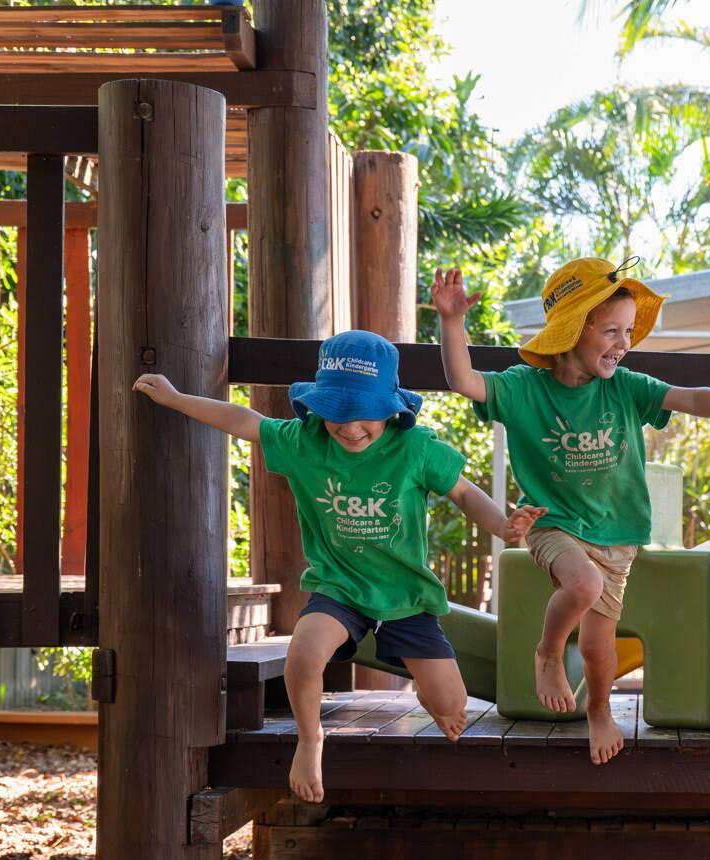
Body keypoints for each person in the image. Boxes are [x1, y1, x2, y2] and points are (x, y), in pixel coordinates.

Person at [133, 329, 542, 802]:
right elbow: (243, 421)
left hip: (404, 594)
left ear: (392, 408)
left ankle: (428, 687)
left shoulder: (415, 448)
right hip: (339, 586)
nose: (349, 428)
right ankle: (311, 740)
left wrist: (504, 527)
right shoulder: (304, 441)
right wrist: (177, 398)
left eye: (363, 413)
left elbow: (466, 493)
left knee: (450, 705)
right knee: (304, 653)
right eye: (336, 414)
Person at [433, 259, 710, 763]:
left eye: (629, 331)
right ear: (574, 329)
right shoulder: (523, 388)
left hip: (617, 535)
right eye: (611, 329)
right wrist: (451, 321)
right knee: (583, 586)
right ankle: (548, 651)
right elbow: (464, 381)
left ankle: (598, 709)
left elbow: (691, 396)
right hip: (553, 523)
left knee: (599, 648)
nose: (624, 342)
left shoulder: (626, 387)